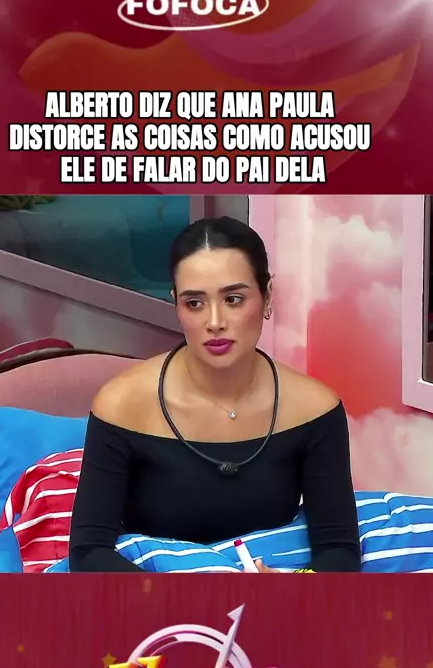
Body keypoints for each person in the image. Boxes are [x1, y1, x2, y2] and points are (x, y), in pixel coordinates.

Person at [69, 216, 361, 573]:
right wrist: (181, 598)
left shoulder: (316, 409)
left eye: (234, 299)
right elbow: (88, 552)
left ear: (268, 296)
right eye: (195, 303)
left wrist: (292, 588)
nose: (215, 321)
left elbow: (339, 550)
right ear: (176, 306)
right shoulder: (121, 405)